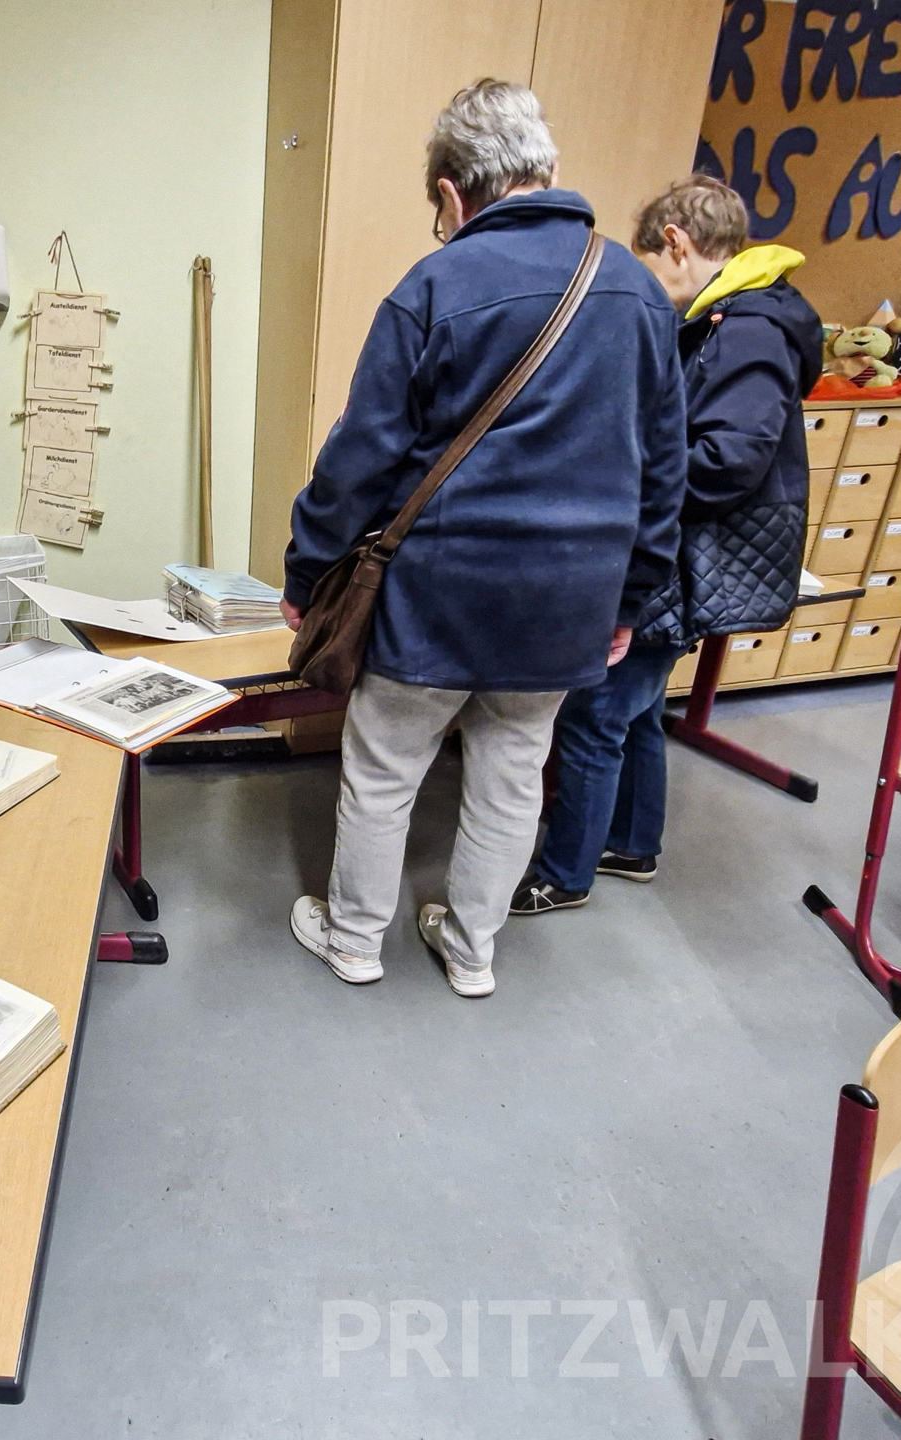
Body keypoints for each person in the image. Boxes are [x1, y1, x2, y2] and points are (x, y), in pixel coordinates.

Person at [281, 79, 687, 998]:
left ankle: (353, 941)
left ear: (454, 194)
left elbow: (361, 458)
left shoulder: (435, 285)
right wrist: (630, 601)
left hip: (438, 590)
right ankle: (470, 952)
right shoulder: (634, 288)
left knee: (384, 769)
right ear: (545, 171)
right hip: (569, 601)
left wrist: (309, 571)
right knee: (512, 774)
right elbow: (664, 472)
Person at [512, 174, 821, 915]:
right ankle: (632, 844)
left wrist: (629, 475)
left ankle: (565, 872)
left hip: (685, 560)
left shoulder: (748, 327)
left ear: (676, 244)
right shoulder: (735, 317)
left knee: (595, 714)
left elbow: (726, 463)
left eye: (648, 263)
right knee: (639, 709)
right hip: (686, 557)